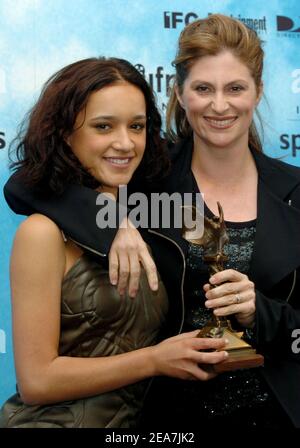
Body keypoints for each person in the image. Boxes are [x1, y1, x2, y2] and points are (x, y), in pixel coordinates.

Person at [3, 14, 300, 428]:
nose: (219, 105)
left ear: (258, 91)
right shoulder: (145, 175)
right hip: (167, 419)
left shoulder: (295, 191)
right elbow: (25, 185)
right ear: (179, 92)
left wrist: (260, 313)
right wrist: (111, 220)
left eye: (235, 88)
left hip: (277, 413)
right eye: (202, 88)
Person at [0, 57, 229, 428]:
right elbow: (37, 382)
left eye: (136, 126)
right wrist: (154, 360)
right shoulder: (42, 233)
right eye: (103, 126)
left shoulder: (148, 212)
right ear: (64, 133)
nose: (124, 143)